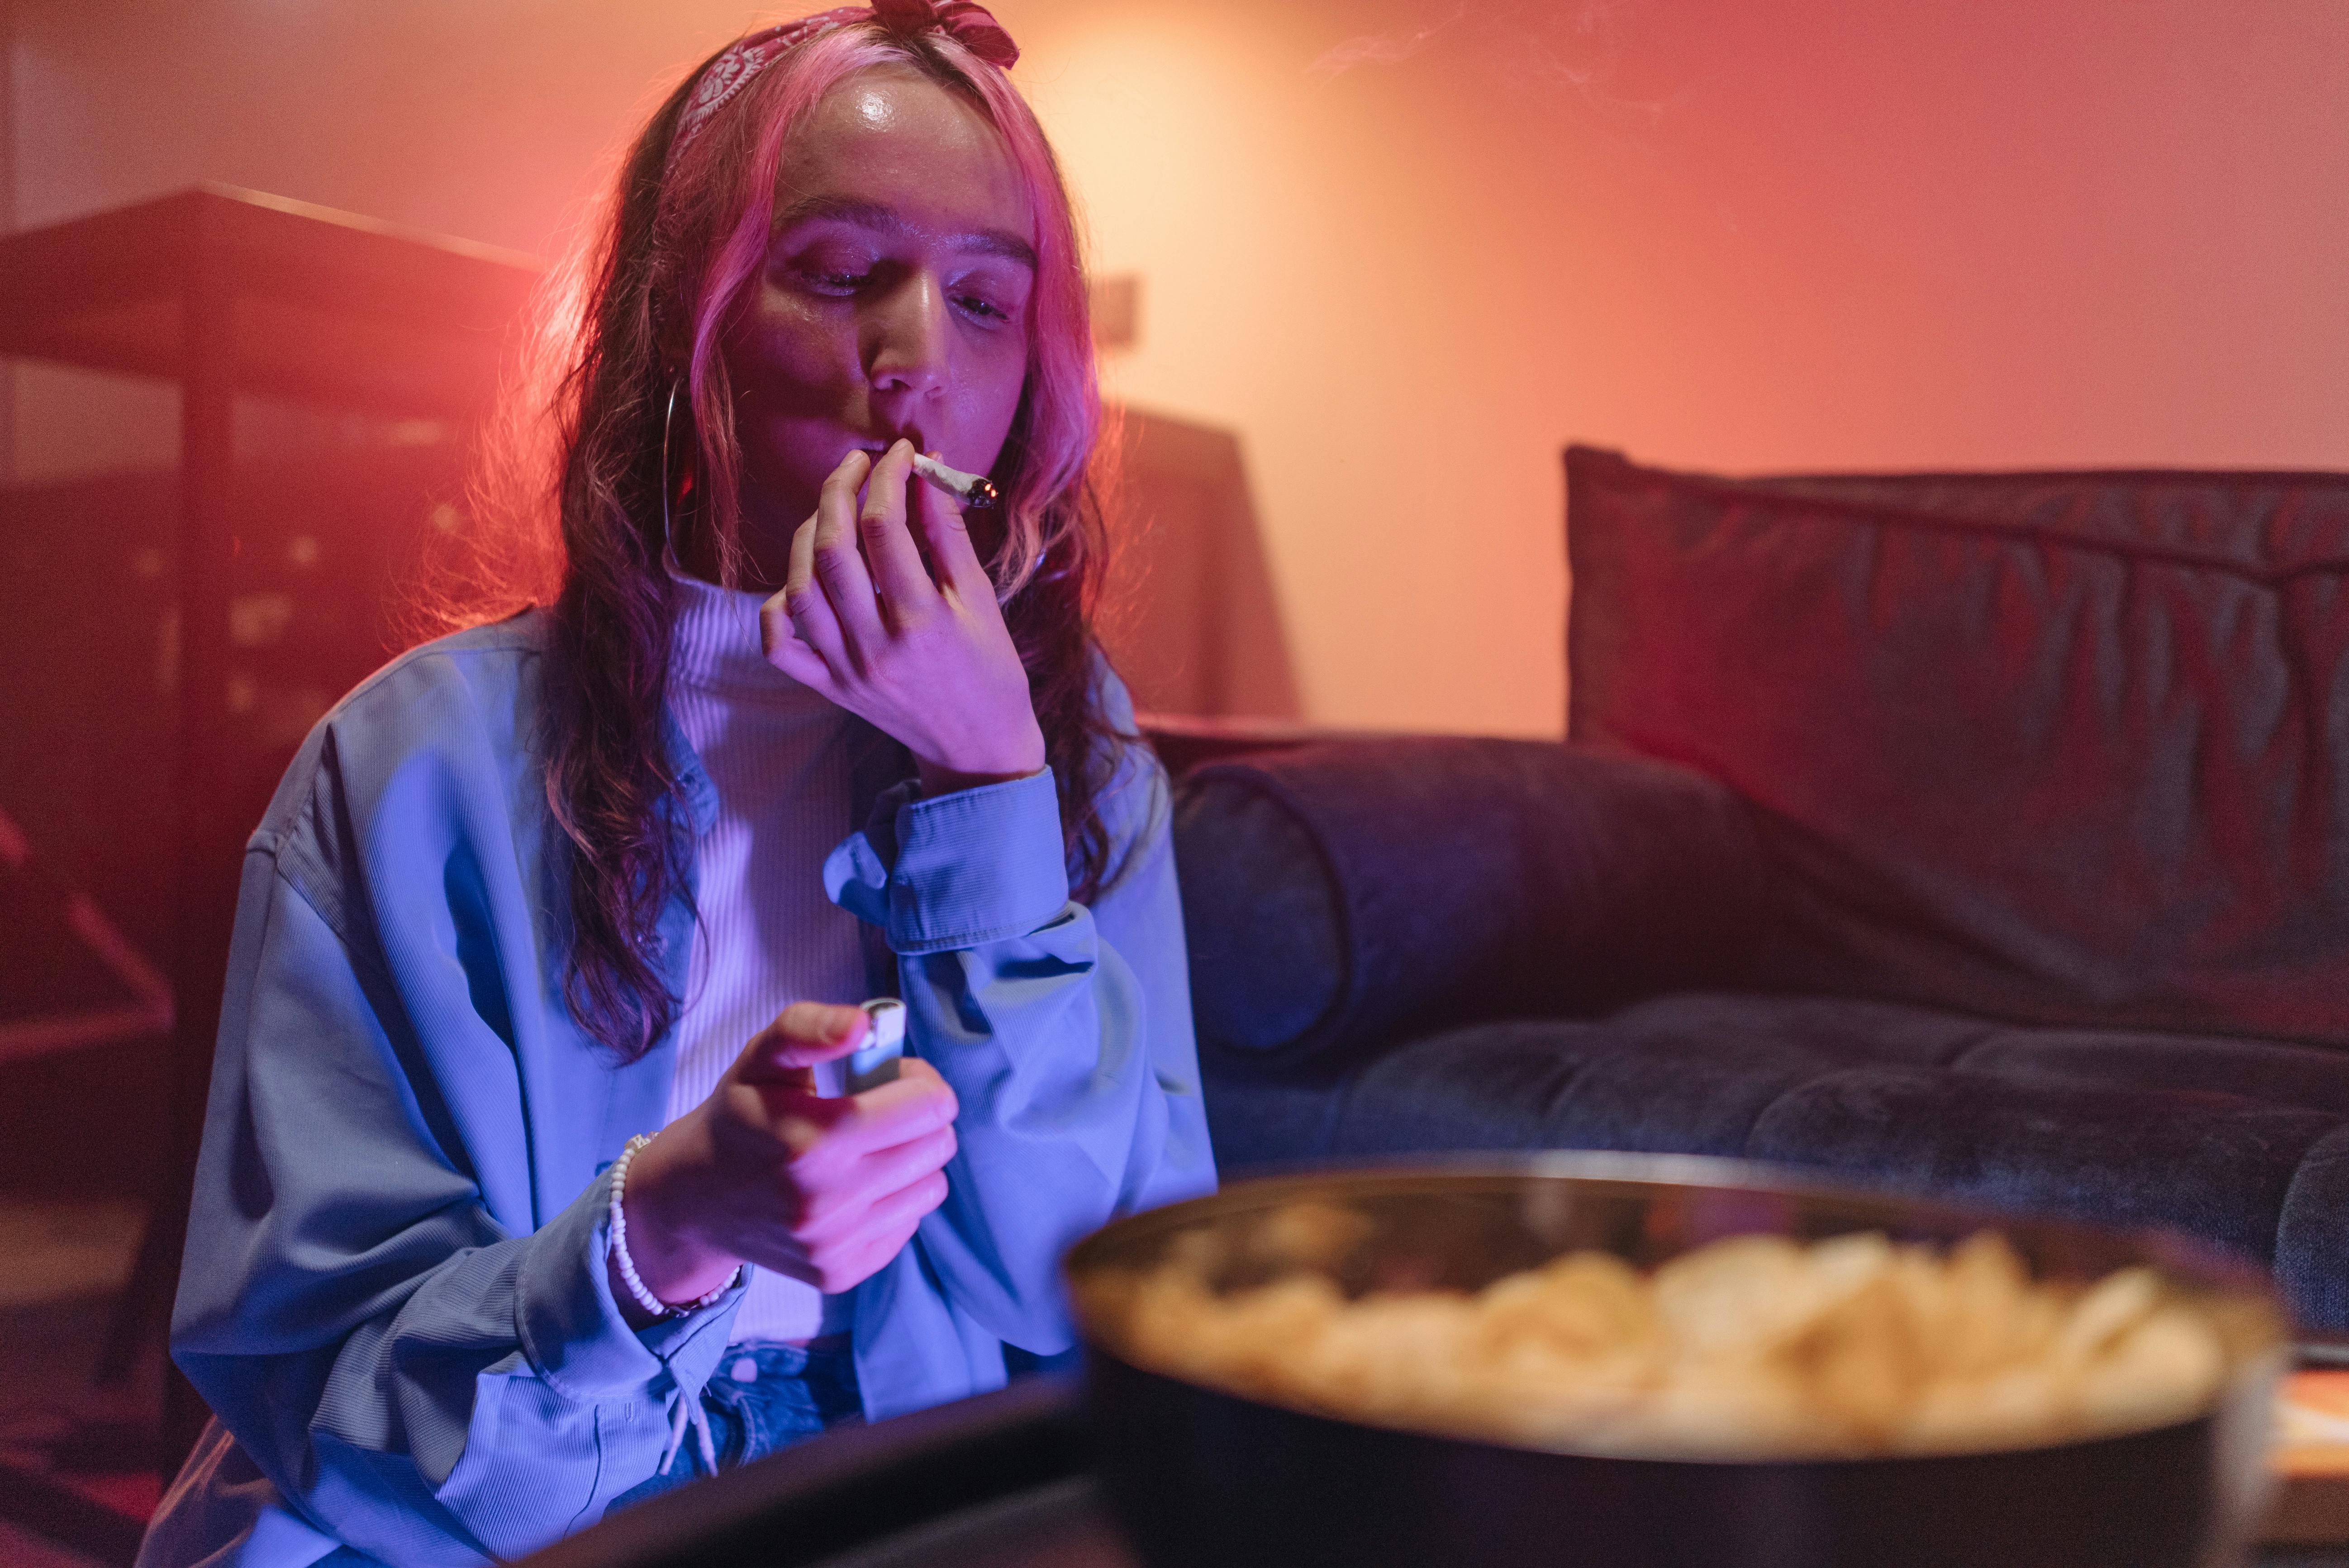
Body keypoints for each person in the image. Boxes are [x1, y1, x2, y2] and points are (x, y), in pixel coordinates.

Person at [136, 5, 1216, 1563]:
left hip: (905, 1491)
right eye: (844, 276)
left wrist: (987, 788)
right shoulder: (406, 767)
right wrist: (664, 1233)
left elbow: (1099, 1287)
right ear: (683, 321)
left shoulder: (1071, 750)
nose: (918, 357)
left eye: (988, 301)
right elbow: (329, 1391)